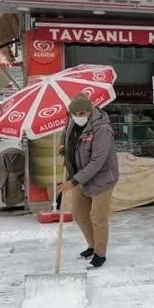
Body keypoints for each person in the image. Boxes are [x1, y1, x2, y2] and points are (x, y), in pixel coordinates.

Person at [57, 93, 119, 269]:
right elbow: (65, 134)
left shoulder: (102, 129)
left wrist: (73, 182)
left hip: (101, 178)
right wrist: (63, 149)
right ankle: (92, 245)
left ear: (90, 111)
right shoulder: (71, 120)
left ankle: (100, 253)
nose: (79, 117)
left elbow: (97, 161)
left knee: (98, 217)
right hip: (80, 176)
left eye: (83, 113)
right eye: (75, 114)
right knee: (79, 214)